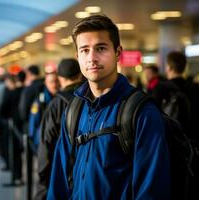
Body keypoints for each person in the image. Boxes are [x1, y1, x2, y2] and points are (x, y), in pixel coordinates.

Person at [47, 15, 171, 199]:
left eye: (101, 48)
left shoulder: (141, 112)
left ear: (118, 53)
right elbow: (59, 180)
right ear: (77, 56)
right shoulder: (74, 109)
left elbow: (152, 189)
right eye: (85, 50)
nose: (92, 58)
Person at [34, 58, 83, 200]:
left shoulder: (56, 105)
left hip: (62, 171)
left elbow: (46, 143)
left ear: (60, 78)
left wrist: (43, 176)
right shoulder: (92, 99)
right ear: (80, 75)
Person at [164, 51, 199, 150]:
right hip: (194, 139)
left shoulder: (162, 89)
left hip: (170, 142)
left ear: (169, 68)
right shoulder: (198, 88)